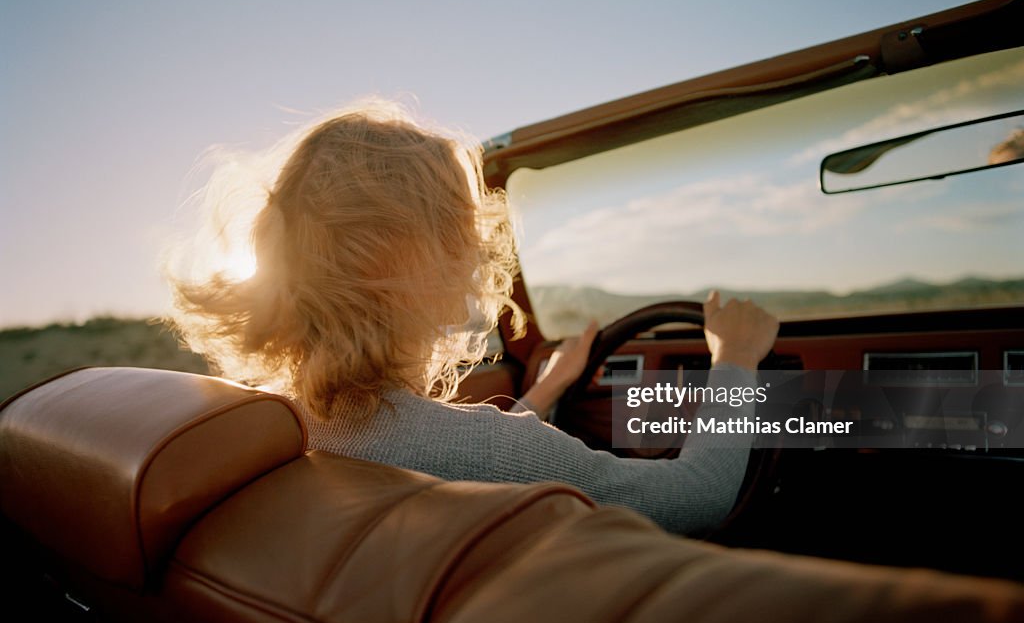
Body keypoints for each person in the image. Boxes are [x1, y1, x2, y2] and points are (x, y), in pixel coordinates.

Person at [165, 104, 778, 534]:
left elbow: (462, 453)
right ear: (425, 257)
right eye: (462, 230)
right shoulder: (487, 452)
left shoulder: (265, 420)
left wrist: (547, 389)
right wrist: (735, 360)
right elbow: (699, 498)